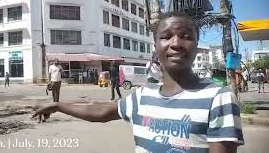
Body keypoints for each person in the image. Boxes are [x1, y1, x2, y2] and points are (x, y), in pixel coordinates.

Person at [33, 12, 244, 152]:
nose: (176, 43)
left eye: (186, 36)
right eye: (166, 36)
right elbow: (99, 112)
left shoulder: (219, 98)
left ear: (197, 47)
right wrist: (58, 105)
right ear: (156, 47)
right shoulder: (143, 95)